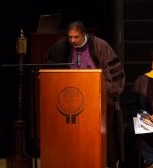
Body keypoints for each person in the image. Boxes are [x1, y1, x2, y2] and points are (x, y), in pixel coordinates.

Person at [44, 21, 126, 168]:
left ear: (84, 34)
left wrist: (104, 90)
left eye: (76, 37)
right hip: (69, 101)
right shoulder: (61, 47)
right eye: (70, 37)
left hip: (97, 101)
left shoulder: (101, 46)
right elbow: (49, 71)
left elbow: (116, 75)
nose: (73, 41)